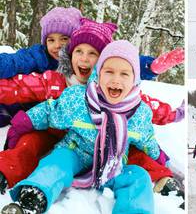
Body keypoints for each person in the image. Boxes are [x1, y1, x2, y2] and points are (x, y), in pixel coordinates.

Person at [0, 21, 184, 197]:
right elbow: (21, 87)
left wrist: (175, 114)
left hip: (106, 139)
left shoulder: (113, 90)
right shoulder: (56, 81)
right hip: (57, 135)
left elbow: (147, 108)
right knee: (30, 143)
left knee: (132, 151)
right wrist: (23, 120)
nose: (84, 58)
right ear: (70, 56)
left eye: (92, 53)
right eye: (78, 51)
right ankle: (4, 170)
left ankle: (161, 178)